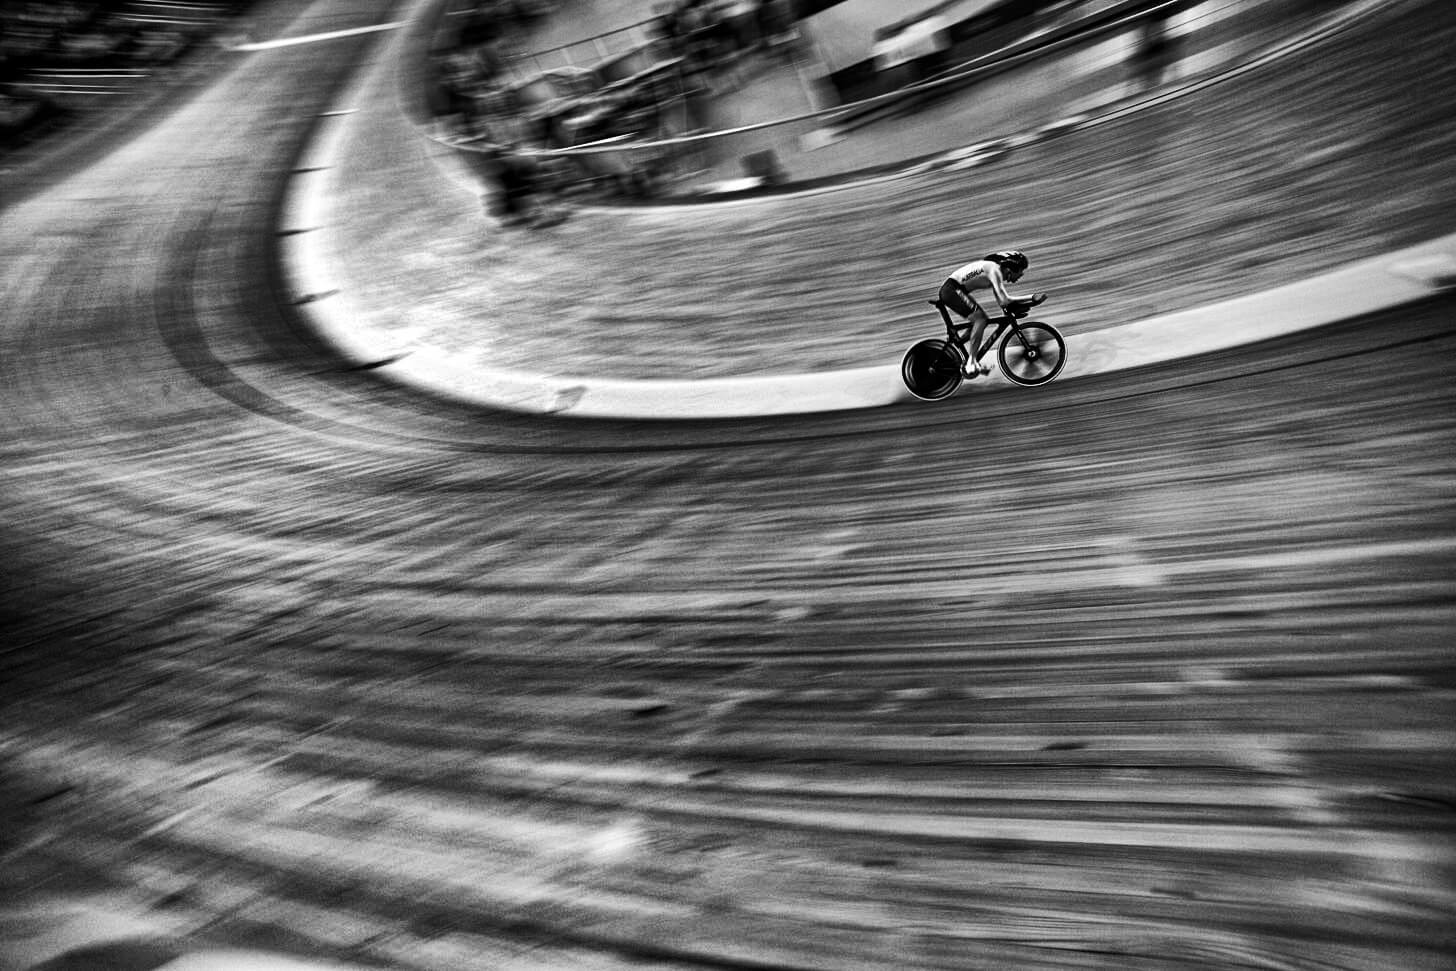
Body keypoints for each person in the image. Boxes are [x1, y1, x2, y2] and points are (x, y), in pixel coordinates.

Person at [938, 250, 1040, 378]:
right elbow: (1004, 300)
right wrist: (1031, 297)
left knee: (979, 321)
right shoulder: (995, 270)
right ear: (1011, 269)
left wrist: (1022, 304)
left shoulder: (995, 271)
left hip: (955, 290)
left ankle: (956, 344)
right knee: (980, 320)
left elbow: (1002, 302)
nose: (1021, 275)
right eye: (1021, 271)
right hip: (952, 290)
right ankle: (971, 363)